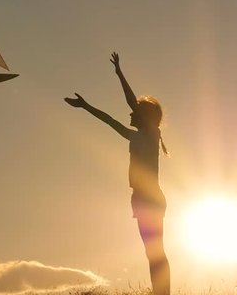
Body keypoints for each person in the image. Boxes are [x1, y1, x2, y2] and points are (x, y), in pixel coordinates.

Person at [64, 52, 170, 295]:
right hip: (141, 198)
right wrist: (86, 106)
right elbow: (109, 120)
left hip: (150, 197)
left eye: (136, 112)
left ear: (144, 116)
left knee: (156, 251)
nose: (130, 114)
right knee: (151, 252)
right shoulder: (136, 136)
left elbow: (131, 104)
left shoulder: (152, 134)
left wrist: (119, 73)